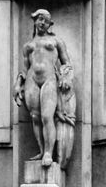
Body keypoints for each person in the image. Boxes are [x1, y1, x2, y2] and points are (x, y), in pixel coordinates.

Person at [13, 9, 74, 168]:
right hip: (32, 80)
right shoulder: (28, 46)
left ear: (49, 24)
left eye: (46, 21)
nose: (42, 23)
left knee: (47, 116)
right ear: (35, 21)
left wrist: (66, 77)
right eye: (40, 19)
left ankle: (48, 152)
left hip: (49, 79)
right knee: (35, 117)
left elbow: (66, 62)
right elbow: (26, 69)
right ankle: (41, 150)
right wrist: (18, 83)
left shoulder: (56, 41)